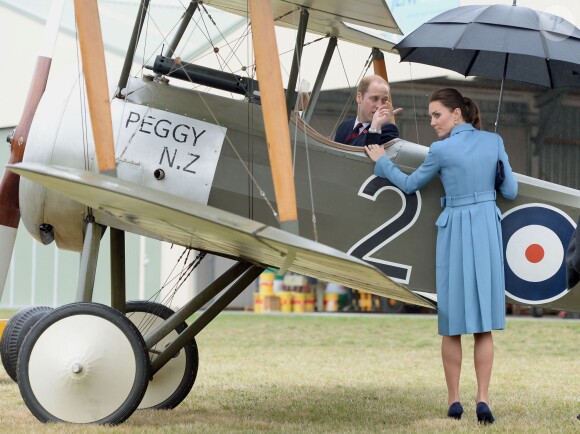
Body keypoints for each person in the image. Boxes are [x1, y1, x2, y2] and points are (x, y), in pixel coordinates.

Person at [364, 88, 518, 424]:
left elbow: (409, 184)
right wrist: (497, 173)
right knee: (483, 325)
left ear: (457, 114)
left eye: (437, 115)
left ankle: (454, 401)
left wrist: (382, 162)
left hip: (455, 231)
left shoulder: (440, 150)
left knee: (452, 324)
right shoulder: (494, 142)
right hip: (486, 228)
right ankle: (483, 399)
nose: (432, 122)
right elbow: (510, 191)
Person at [334, 75, 401, 147]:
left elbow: (369, 155)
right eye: (374, 99)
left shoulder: (388, 130)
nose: (379, 106)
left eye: (384, 100)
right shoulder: (344, 127)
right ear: (359, 97)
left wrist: (375, 127)